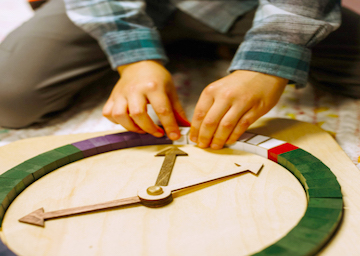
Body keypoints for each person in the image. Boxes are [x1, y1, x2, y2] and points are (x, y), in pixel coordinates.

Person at [0, 0, 348, 149]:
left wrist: (268, 60)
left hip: (242, 6)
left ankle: (200, 45)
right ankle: (177, 47)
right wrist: (132, 58)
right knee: (9, 98)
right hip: (114, 5)